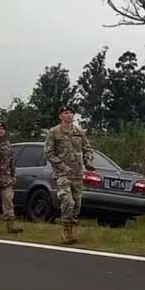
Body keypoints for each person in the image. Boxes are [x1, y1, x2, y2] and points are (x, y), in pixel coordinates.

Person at [44, 105, 94, 244]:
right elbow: (49, 152)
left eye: (71, 113)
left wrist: (88, 161)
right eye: (66, 113)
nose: (69, 115)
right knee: (68, 201)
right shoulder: (54, 132)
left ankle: (71, 228)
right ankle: (66, 230)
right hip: (62, 174)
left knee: (77, 204)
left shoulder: (79, 131)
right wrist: (61, 166)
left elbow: (87, 149)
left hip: (77, 174)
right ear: (61, 116)